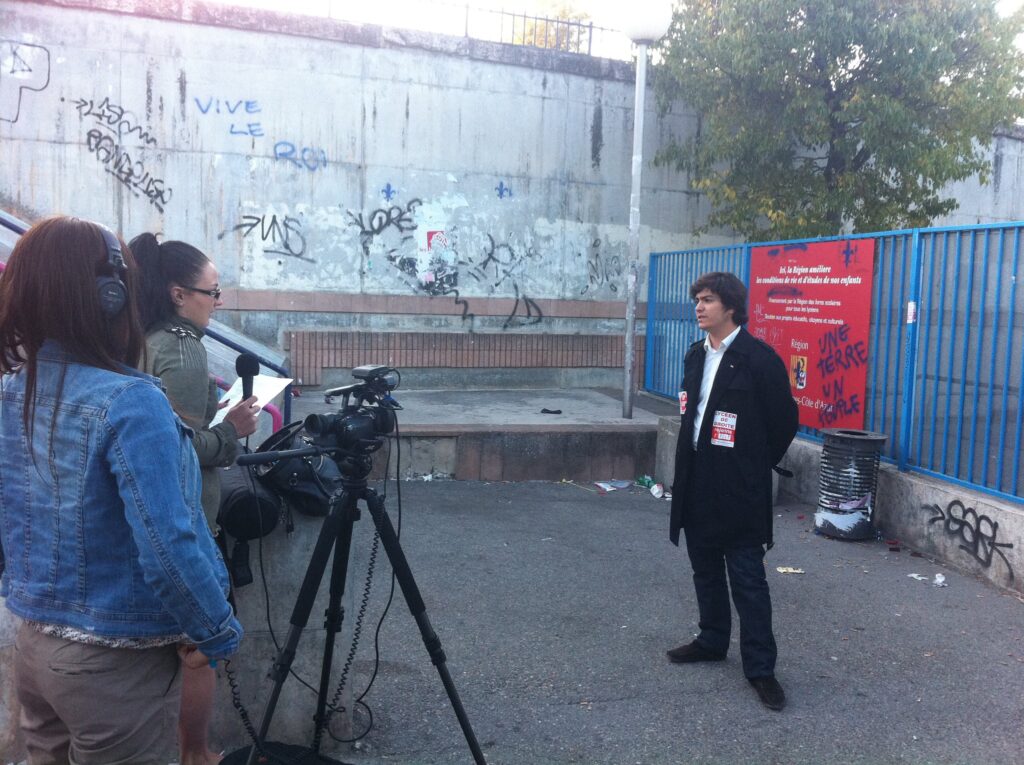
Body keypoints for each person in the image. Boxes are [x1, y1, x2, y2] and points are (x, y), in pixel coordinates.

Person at [0, 216, 243, 764]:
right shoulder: (131, 403)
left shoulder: (9, 392)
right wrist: (216, 631)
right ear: (111, 298)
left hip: (35, 647)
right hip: (114, 670)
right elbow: (168, 544)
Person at [131, 232, 259, 765]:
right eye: (212, 291)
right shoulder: (182, 349)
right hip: (185, 522)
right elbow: (183, 451)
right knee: (199, 651)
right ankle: (195, 755)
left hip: (147, 520)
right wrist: (232, 428)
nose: (219, 300)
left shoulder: (143, 338)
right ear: (178, 294)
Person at [667, 271, 798, 711]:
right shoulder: (694, 355)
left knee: (747, 579)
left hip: (739, 488)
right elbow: (693, 413)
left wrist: (752, 466)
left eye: (707, 300)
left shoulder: (759, 359)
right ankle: (711, 639)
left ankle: (761, 669)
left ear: (731, 307)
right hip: (698, 480)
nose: (699, 307)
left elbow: (784, 422)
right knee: (704, 567)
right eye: (697, 300)